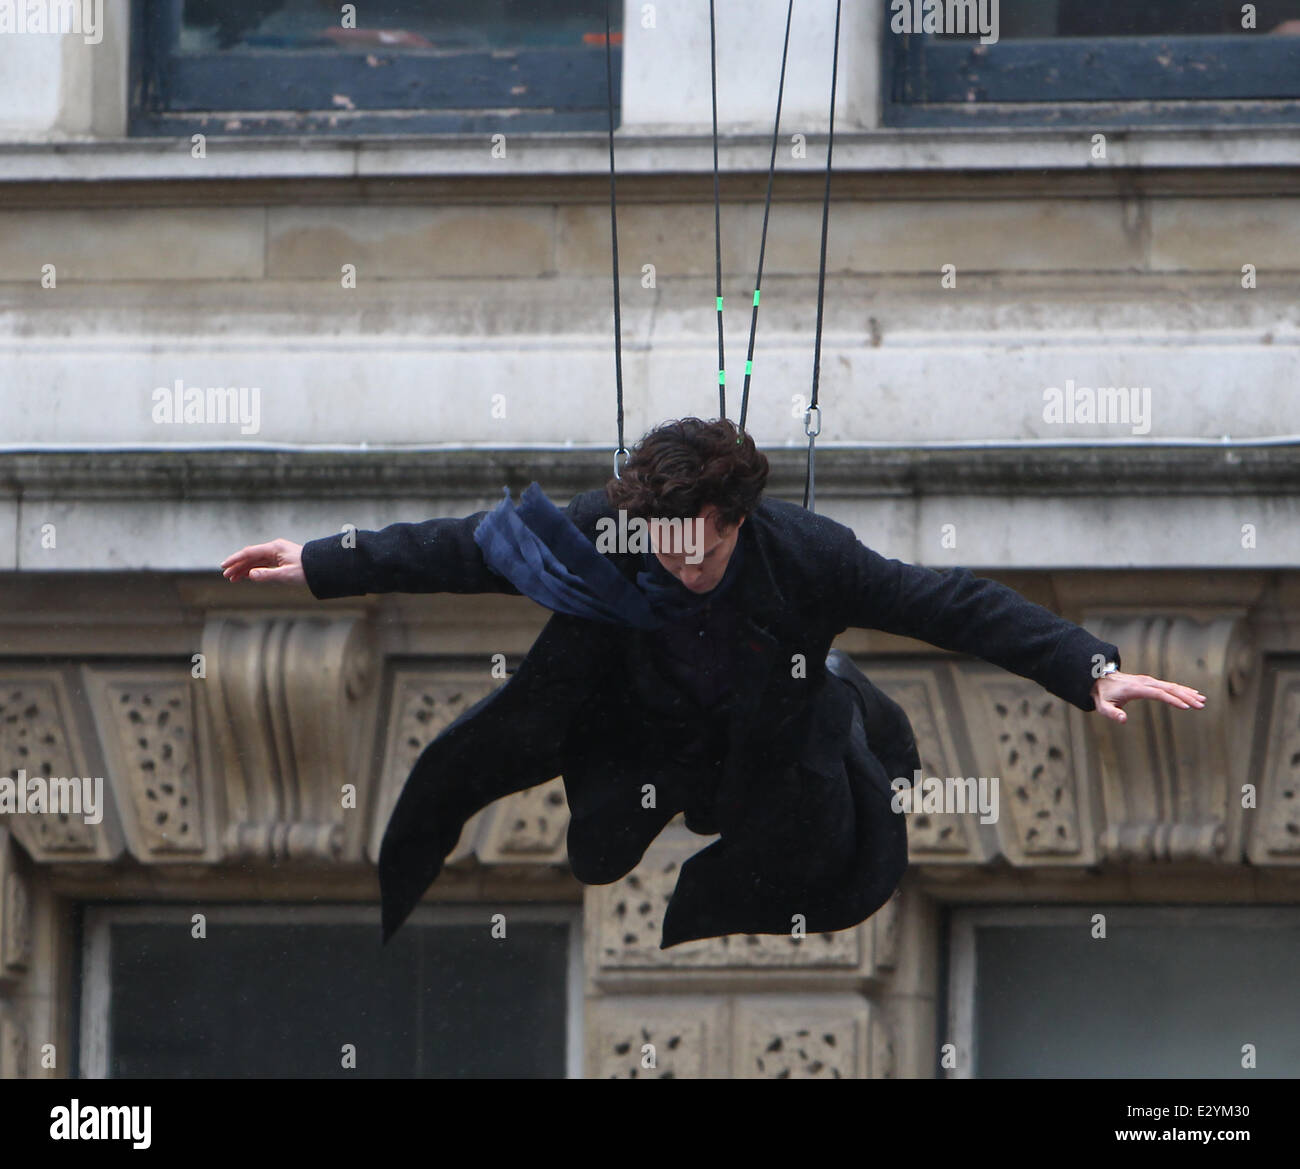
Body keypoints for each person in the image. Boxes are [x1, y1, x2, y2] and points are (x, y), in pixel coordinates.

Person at [221, 417, 1205, 949]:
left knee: (801, 841)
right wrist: (319, 557)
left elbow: (948, 600)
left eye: (703, 552)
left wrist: (1090, 668)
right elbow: (465, 546)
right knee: (597, 856)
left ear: (737, 523)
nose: (685, 565)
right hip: (641, 732)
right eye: (667, 548)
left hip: (760, 739)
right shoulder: (612, 524)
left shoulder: (806, 555)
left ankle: (822, 762)